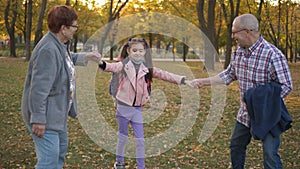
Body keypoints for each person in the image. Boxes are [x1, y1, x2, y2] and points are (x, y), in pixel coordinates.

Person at [190, 14, 293, 169]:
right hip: (245, 113)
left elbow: (286, 86)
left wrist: (260, 99)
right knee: (236, 146)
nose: (232, 36)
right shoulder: (238, 52)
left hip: (268, 115)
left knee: (270, 155)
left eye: (234, 32)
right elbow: (229, 75)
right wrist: (202, 82)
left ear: (247, 31)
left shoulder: (273, 55)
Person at [21, 5, 101, 169]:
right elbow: (38, 90)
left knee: (59, 153)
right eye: (74, 26)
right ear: (63, 28)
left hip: (57, 113)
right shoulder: (48, 50)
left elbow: (65, 59)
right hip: (45, 116)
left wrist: (86, 56)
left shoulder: (58, 44)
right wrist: (38, 120)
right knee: (49, 160)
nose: (75, 30)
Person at [98, 38, 191, 169]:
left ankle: (141, 166)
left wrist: (183, 80)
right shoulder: (124, 65)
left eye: (141, 51)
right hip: (123, 108)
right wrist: (101, 63)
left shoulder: (147, 69)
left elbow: (165, 75)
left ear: (145, 53)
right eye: (134, 50)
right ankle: (119, 162)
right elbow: (112, 67)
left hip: (137, 110)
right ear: (129, 51)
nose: (138, 53)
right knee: (123, 138)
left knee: (140, 141)